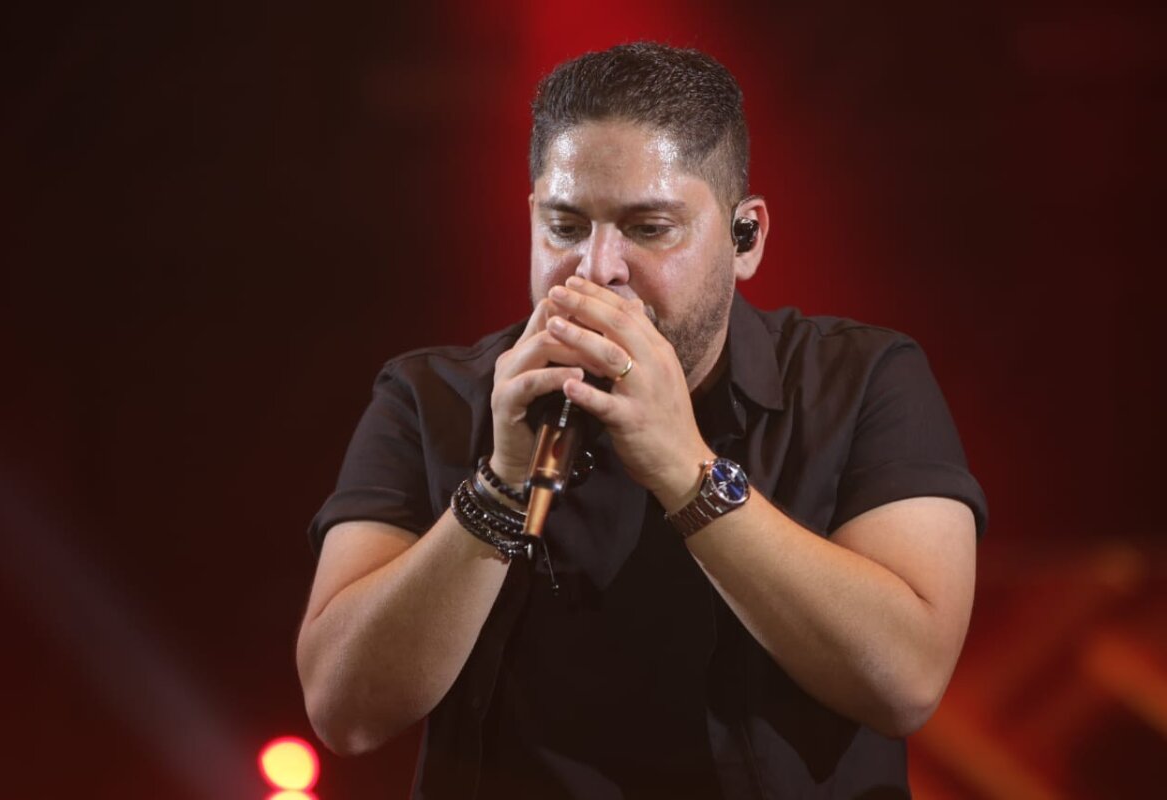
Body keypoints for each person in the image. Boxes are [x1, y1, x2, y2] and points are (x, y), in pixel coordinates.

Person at [297, 42, 986, 799]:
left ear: (746, 237)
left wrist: (685, 470)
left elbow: (905, 683)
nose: (598, 268)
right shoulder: (427, 395)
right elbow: (343, 711)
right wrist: (500, 486)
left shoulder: (863, 380)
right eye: (565, 226)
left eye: (650, 228)